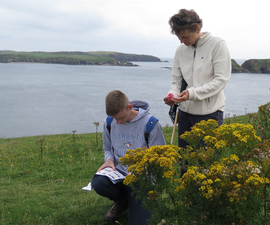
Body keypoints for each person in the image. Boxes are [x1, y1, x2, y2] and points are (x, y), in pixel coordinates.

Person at [92, 90, 166, 225]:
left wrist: (141, 170)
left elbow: (159, 158)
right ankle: (122, 201)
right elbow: (108, 148)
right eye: (115, 118)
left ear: (129, 107)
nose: (118, 122)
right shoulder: (109, 122)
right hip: (118, 174)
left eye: (120, 117)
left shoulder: (151, 124)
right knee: (98, 183)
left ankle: (139, 201)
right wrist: (109, 160)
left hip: (141, 179)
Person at [163, 9, 231, 149]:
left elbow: (221, 80)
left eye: (185, 37)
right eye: (179, 38)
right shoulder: (180, 50)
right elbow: (177, 81)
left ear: (198, 28)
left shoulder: (218, 45)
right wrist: (173, 96)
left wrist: (191, 94)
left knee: (206, 162)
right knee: (185, 162)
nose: (182, 41)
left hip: (210, 113)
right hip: (184, 114)